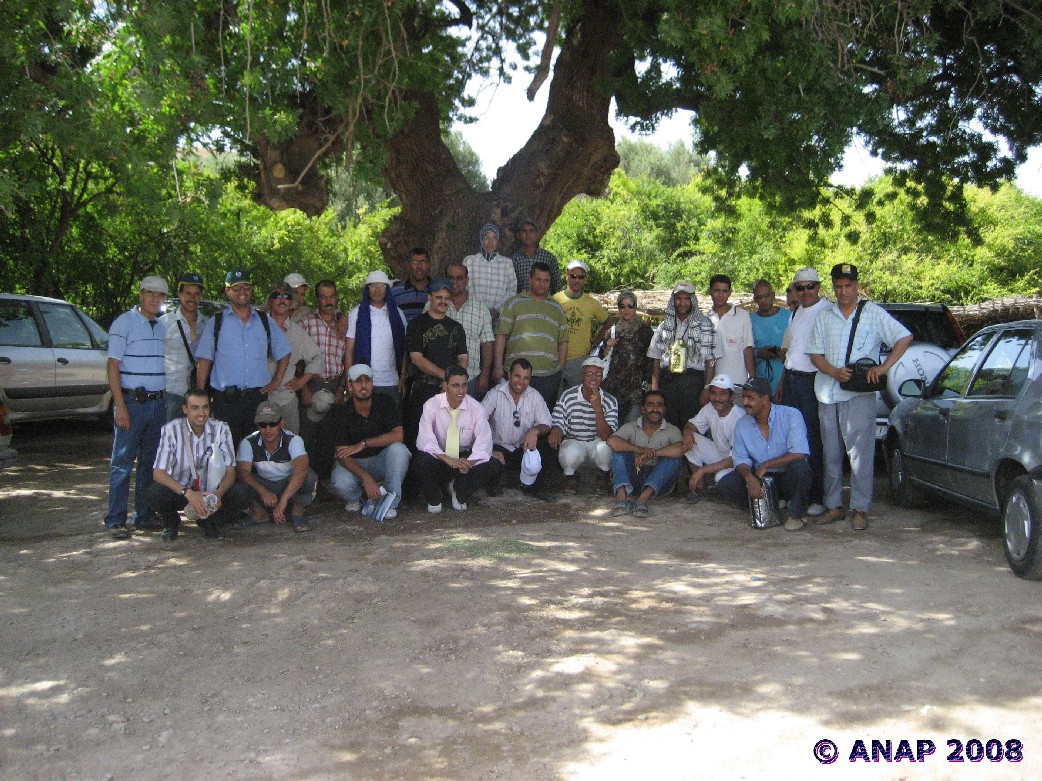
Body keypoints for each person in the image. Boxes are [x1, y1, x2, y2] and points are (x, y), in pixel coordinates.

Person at [807, 263, 912, 531]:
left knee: (860, 453)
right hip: (827, 392)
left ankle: (860, 508)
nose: (844, 291)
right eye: (839, 286)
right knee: (830, 452)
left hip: (859, 393)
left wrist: (883, 368)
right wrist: (833, 371)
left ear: (856, 286)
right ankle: (833, 505)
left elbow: (904, 337)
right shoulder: (825, 316)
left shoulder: (873, 314)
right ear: (833, 287)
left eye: (848, 286)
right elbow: (815, 354)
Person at [195, 269, 292, 447]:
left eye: (246, 287)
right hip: (226, 400)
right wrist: (201, 396)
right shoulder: (217, 322)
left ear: (252, 290)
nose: (242, 292)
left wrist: (276, 380)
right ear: (227, 291)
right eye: (236, 288)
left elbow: (285, 352)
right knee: (225, 451)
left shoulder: (264, 321)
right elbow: (204, 360)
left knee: (254, 450)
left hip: (257, 399)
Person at [104, 275, 170, 539]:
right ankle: (116, 519)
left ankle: (144, 515)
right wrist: (120, 406)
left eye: (160, 295)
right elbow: (112, 365)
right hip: (132, 402)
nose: (155, 299)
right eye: (151, 294)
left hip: (157, 403)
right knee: (122, 462)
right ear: (141, 294)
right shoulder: (124, 322)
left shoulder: (162, 326)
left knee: (149, 463)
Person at [146, 388, 248, 541]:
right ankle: (171, 522)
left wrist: (218, 495)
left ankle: (209, 520)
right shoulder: (171, 430)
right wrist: (188, 493)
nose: (201, 413)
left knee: (243, 492)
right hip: (182, 491)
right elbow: (158, 472)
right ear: (185, 409)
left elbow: (230, 471)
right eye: (195, 407)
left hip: (210, 492)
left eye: (205, 407)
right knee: (154, 493)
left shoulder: (221, 429)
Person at [715, 378, 813, 531]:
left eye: (750, 398)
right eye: (744, 397)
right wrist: (749, 478)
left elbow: (799, 453)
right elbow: (740, 460)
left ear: (765, 399)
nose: (745, 402)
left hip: (786, 475)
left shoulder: (791, 415)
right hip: (761, 478)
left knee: (801, 469)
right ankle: (767, 506)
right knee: (726, 484)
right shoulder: (742, 424)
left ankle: (796, 514)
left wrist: (767, 464)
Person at [412, 365, 504, 513]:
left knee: (494, 463)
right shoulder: (431, 405)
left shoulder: (476, 409)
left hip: (464, 460)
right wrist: (449, 460)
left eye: (464, 385)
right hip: (441, 458)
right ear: (445, 385)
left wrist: (469, 462)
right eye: (455, 386)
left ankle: (459, 491)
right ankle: (434, 498)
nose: (461, 391)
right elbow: (426, 442)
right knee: (421, 460)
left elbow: (483, 444)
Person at [326, 364, 411, 519]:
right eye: (358, 382)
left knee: (400, 451)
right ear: (350, 386)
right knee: (340, 481)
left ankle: (390, 502)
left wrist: (363, 443)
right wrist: (366, 477)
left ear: (372, 383)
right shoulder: (341, 412)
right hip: (355, 464)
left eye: (367, 381)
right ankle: (357, 498)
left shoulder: (385, 401)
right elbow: (342, 454)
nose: (363, 386)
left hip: (380, 460)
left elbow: (398, 436)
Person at [779, 267, 831, 516]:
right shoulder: (796, 312)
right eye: (800, 287)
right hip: (791, 380)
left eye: (811, 286)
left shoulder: (827, 311)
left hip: (812, 382)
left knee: (812, 440)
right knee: (789, 439)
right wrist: (781, 384)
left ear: (818, 287)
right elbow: (788, 353)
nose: (806, 292)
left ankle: (816, 497)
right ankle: (793, 494)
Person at [647, 281, 722, 430]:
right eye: (679, 298)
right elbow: (656, 358)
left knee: (690, 426)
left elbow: (710, 361)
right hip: (668, 382)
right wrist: (655, 388)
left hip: (692, 383)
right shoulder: (664, 326)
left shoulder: (705, 325)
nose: (683, 303)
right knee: (668, 425)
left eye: (687, 299)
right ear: (673, 300)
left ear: (692, 300)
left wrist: (707, 388)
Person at [494, 261, 569, 410]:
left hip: (548, 376)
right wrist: (498, 367)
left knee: (543, 421)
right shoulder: (513, 304)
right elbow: (501, 336)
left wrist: (559, 367)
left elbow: (563, 341)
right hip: (516, 374)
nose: (542, 284)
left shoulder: (557, 309)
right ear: (530, 279)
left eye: (546, 281)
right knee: (512, 417)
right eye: (538, 279)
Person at [236, 400, 318, 532]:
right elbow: (242, 472)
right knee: (237, 478)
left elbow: (301, 469)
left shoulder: (293, 440)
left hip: (289, 485)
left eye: (273, 424)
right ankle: (259, 513)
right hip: (264, 486)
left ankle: (297, 512)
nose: (268, 430)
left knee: (308, 475)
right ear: (257, 425)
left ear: (281, 423)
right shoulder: (249, 442)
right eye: (263, 425)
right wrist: (263, 491)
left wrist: (283, 500)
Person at [405, 278, 468, 448]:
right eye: (439, 297)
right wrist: (447, 378)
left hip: (449, 392)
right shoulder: (416, 325)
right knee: (419, 437)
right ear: (430, 297)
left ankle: (451, 472)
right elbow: (417, 359)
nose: (443, 301)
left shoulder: (456, 327)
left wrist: (454, 383)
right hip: (423, 389)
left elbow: (463, 358)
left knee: (449, 438)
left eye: (447, 298)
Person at [482, 357, 557, 502]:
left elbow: (546, 424)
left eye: (525, 378)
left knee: (549, 444)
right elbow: (478, 419)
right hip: (500, 446)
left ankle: (537, 487)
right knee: (488, 457)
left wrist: (534, 431)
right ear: (509, 375)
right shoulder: (495, 393)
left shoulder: (534, 395)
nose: (520, 382)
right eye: (517, 376)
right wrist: (488, 448)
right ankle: (493, 484)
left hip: (523, 447)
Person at [607, 390, 685, 517]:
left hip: (659, 483)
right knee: (618, 452)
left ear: (664, 409)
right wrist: (640, 450)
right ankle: (621, 498)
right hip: (634, 476)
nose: (655, 409)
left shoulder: (672, 430)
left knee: (674, 459)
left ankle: (642, 499)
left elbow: (681, 449)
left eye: (659, 405)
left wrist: (653, 453)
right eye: (650, 404)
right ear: (642, 409)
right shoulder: (630, 427)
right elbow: (611, 441)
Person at [548, 356, 619, 495]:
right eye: (589, 374)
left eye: (598, 374)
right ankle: (571, 478)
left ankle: (602, 478)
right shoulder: (567, 396)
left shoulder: (610, 400)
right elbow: (558, 421)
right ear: (582, 376)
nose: (594, 378)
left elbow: (607, 436)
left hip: (597, 442)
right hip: (574, 440)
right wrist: (556, 431)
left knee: (606, 448)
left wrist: (598, 408)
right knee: (569, 454)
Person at [298, 279, 349, 470]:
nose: (328, 302)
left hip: (335, 384)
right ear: (317, 299)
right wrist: (303, 388)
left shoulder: (345, 324)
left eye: (332, 297)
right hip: (312, 384)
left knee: (331, 435)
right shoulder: (306, 324)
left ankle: (326, 481)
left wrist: (342, 388)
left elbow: (346, 359)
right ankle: (308, 481)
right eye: (323, 297)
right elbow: (298, 360)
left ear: (336, 297)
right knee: (308, 435)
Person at [264, 282, 321, 436]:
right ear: (270, 300)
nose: (282, 300)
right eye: (277, 296)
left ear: (291, 302)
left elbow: (317, 357)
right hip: (260, 398)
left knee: (291, 445)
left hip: (287, 399)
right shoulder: (257, 326)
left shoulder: (297, 332)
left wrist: (302, 381)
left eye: (287, 296)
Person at [344, 270, 408, 403]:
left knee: (393, 422)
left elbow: (405, 348)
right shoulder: (356, 314)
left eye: (382, 286)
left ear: (387, 290)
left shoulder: (398, 315)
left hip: (392, 381)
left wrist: (403, 375)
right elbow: (349, 350)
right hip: (364, 381)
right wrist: (349, 380)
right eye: (373, 286)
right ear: (367, 289)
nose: (377, 290)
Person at [683, 373, 746, 500]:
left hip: (738, 463)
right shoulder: (709, 408)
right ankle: (700, 491)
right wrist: (687, 433)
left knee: (720, 478)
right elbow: (691, 425)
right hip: (719, 453)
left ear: (731, 396)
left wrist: (702, 470)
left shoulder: (739, 418)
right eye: (713, 393)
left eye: (722, 393)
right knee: (690, 441)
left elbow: (734, 459)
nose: (717, 398)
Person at [553, 259, 611, 390]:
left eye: (581, 277)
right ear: (567, 275)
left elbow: (608, 322)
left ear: (585, 278)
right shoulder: (555, 300)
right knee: (555, 401)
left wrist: (596, 343)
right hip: (555, 358)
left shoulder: (592, 303)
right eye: (573, 276)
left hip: (580, 360)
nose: (576, 280)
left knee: (578, 400)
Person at [159, 272, 209, 421]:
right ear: (179, 294)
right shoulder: (164, 323)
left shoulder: (207, 324)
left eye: (196, 294)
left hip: (197, 394)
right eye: (188, 293)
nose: (192, 298)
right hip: (171, 393)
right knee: (168, 439)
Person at [601, 290, 654, 424]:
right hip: (613, 389)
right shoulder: (612, 332)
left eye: (630, 306)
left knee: (632, 427)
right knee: (612, 426)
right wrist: (607, 346)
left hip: (635, 390)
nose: (626, 310)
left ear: (635, 307)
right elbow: (602, 359)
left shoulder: (646, 331)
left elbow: (652, 359)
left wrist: (648, 383)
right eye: (622, 306)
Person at [445, 262, 494, 399]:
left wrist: (484, 375)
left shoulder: (480, 308)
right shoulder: (436, 304)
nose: (454, 282)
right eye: (450, 278)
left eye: (459, 278)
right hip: (441, 378)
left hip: (471, 378)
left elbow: (487, 344)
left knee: (468, 419)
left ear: (467, 280)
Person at [707, 274, 755, 389]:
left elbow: (748, 349)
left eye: (724, 291)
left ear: (730, 292)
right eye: (717, 290)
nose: (720, 295)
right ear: (710, 291)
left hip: (738, 384)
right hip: (714, 387)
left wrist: (752, 381)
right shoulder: (705, 319)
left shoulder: (742, 316)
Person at [463, 223, 516, 321]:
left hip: (498, 317)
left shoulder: (507, 263)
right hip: (472, 315)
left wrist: (497, 309)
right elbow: (463, 287)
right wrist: (475, 308)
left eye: (494, 238)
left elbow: (512, 290)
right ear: (481, 240)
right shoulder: (469, 261)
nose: (490, 242)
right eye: (486, 238)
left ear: (498, 241)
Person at [750, 279, 789, 395]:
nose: (763, 300)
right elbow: (744, 351)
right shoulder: (749, 321)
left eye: (767, 296)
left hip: (786, 381)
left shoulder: (789, 317)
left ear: (773, 295)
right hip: (761, 385)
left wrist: (782, 352)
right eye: (759, 297)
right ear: (755, 299)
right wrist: (759, 353)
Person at [511, 217, 561, 295]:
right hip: (523, 304)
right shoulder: (514, 260)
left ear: (537, 235)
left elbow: (557, 286)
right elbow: (512, 287)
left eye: (531, 231)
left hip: (545, 304)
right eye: (524, 231)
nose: (528, 234)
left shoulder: (548, 258)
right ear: (518, 235)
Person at [391, 247, 433, 323]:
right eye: (415, 262)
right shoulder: (395, 292)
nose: (419, 267)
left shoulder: (437, 290)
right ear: (408, 265)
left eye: (423, 262)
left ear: (428, 264)